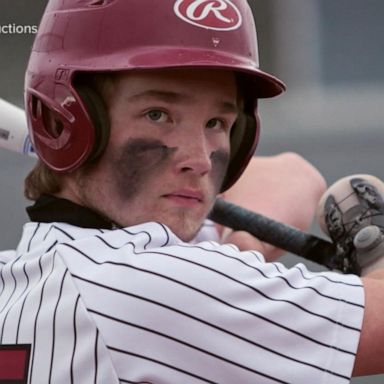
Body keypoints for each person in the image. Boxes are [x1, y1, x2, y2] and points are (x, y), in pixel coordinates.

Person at [0, 0, 383, 382]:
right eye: (157, 115)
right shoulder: (151, 287)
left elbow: (290, 174)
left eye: (217, 122)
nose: (199, 160)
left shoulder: (22, 275)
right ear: (62, 121)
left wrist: (237, 252)